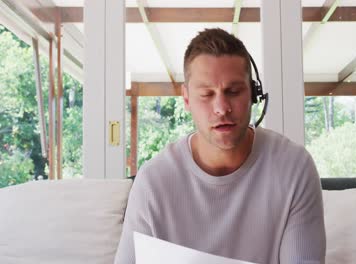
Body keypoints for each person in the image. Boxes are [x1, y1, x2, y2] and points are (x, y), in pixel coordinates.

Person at [114, 28, 326, 264]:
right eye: (206, 94)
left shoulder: (294, 168)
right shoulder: (153, 180)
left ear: (253, 94)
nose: (222, 107)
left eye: (233, 92)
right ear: (186, 99)